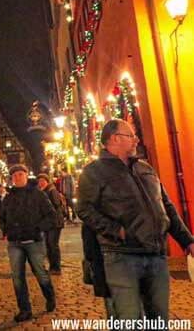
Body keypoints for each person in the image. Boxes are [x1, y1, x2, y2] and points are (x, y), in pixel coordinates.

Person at [77, 119, 194, 320]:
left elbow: (166, 206)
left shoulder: (145, 168)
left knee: (159, 320)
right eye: (131, 135)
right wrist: (116, 231)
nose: (137, 140)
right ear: (115, 139)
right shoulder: (94, 172)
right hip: (121, 256)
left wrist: (187, 240)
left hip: (156, 255)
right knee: (129, 321)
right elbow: (84, 209)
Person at [0, 164, 56, 322]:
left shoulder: (37, 194)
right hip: (15, 242)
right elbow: (1, 217)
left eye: (20, 174)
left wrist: (38, 229)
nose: (17, 177)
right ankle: (24, 309)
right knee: (17, 277)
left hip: (34, 241)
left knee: (41, 273)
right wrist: (6, 230)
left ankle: (50, 296)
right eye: (14, 175)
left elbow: (51, 215)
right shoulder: (9, 198)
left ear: (26, 175)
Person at [82, 223, 116, 317]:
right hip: (127, 265)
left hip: (102, 264)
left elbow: (88, 251)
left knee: (110, 299)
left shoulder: (91, 217)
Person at [38, 174, 65, 275]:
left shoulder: (51, 190)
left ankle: (56, 267)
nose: (41, 183)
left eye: (42, 181)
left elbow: (56, 204)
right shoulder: (43, 191)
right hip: (47, 223)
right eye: (39, 181)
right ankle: (52, 266)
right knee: (48, 245)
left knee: (53, 245)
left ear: (47, 181)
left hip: (55, 222)